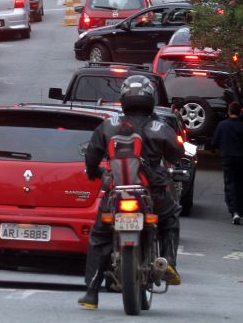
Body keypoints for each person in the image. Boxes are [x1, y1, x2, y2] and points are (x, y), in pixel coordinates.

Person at [78, 76, 184, 310]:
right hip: (153, 194)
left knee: (100, 236)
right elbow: (177, 153)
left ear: (124, 98)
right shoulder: (160, 127)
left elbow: (92, 156)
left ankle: (91, 293)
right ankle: (169, 264)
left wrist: (94, 171)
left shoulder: (108, 125)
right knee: (170, 218)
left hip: (117, 193)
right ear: (150, 99)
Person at [212, 102, 243, 225]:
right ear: (239, 113)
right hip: (241, 159)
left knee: (229, 183)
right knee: (241, 185)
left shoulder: (222, 125)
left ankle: (234, 211)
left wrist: (220, 148)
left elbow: (214, 142)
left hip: (227, 159)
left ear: (229, 111)